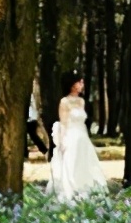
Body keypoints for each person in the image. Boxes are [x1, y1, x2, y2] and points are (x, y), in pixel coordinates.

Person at [46, 71, 107, 201]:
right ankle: (70, 191)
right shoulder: (64, 102)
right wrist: (62, 142)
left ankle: (85, 190)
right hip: (71, 136)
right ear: (72, 84)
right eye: (79, 82)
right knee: (71, 163)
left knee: (85, 163)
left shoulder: (81, 101)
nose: (82, 85)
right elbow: (63, 123)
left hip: (82, 137)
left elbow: (83, 122)